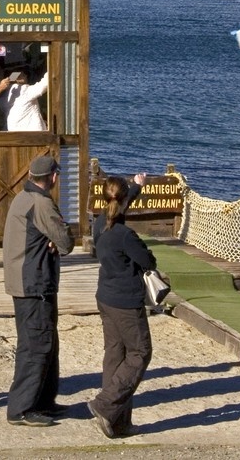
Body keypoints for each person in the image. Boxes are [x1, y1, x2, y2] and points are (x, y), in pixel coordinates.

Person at [2, 154, 75, 426]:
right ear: (53, 176)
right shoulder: (41, 203)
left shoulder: (22, 198)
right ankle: (21, 408)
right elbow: (66, 240)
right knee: (36, 347)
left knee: (44, 344)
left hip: (26, 283)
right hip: (33, 284)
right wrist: (57, 238)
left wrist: (52, 238)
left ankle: (43, 401)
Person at [88, 176, 156, 439]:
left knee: (115, 354)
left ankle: (117, 422)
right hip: (126, 301)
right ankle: (105, 405)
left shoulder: (99, 225)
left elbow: (119, 206)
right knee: (140, 353)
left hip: (105, 297)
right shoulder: (125, 235)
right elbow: (147, 261)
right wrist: (147, 255)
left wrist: (136, 186)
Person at [88, 171, 147, 253]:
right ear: (124, 198)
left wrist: (137, 186)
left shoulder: (99, 222)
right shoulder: (123, 233)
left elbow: (128, 198)